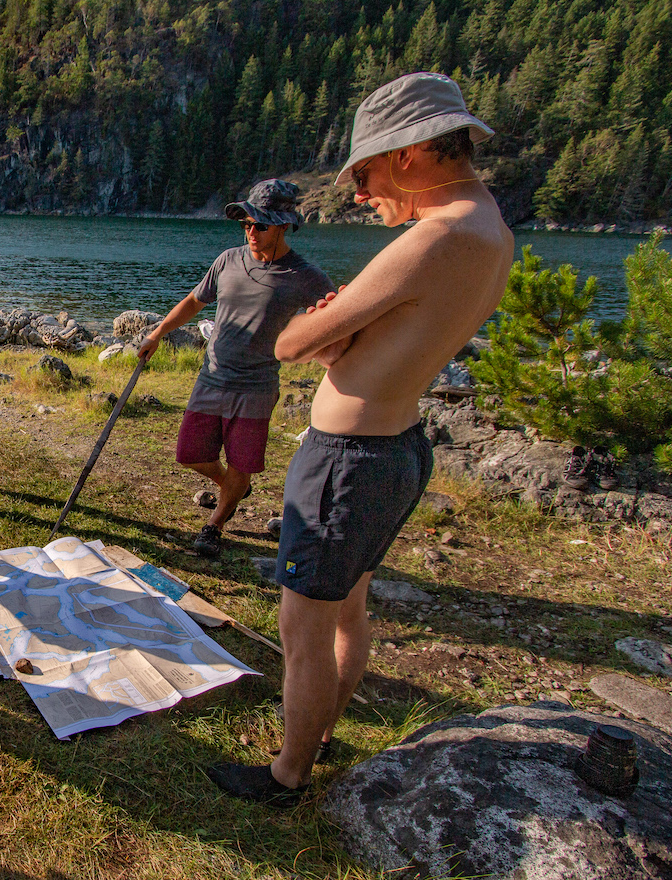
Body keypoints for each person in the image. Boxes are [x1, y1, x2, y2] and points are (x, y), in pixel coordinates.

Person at [207, 72, 513, 806]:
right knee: (349, 606)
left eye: (366, 171)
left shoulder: (431, 238)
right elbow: (371, 338)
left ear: (409, 154)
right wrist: (346, 334)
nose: (358, 191)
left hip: (348, 459)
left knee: (303, 623)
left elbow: (293, 342)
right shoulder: (491, 228)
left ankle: (288, 774)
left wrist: (329, 327)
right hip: (398, 445)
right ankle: (318, 731)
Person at [139, 179, 332, 557]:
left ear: (283, 225)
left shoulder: (304, 276)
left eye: (260, 225)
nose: (251, 232)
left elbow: (337, 314)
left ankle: (215, 525)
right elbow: (195, 301)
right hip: (212, 375)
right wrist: (158, 332)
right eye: (246, 223)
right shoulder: (228, 260)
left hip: (256, 387)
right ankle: (235, 486)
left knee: (242, 461)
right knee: (191, 454)